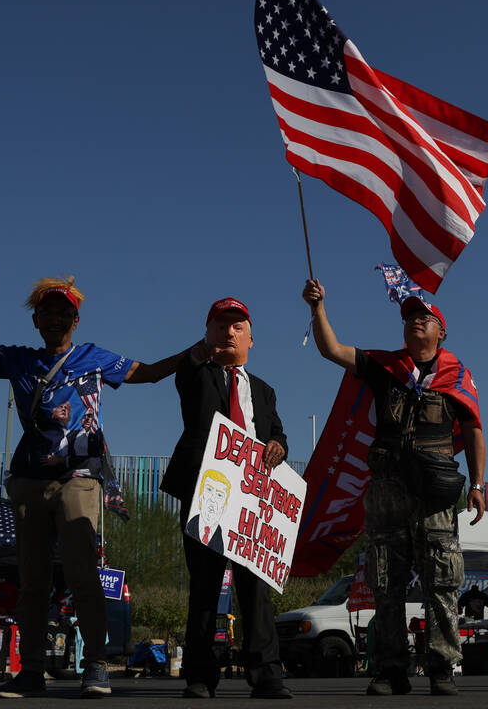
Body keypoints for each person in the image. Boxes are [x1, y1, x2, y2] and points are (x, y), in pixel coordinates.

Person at [0, 256, 187, 699]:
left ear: (76, 320)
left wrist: (196, 350)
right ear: (36, 320)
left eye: (64, 311)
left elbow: (151, 372)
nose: (56, 317)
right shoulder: (20, 360)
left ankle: (97, 666)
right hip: (28, 478)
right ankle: (31, 671)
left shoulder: (93, 357)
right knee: (32, 581)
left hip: (80, 475)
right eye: (48, 311)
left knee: (84, 573)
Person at [302, 279, 486, 696]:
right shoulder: (385, 367)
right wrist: (318, 309)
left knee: (442, 579)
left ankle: (441, 667)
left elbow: (474, 429)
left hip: (435, 493)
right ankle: (390, 669)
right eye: (408, 318)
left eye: (424, 317)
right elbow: (332, 350)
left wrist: (477, 484)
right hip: (386, 489)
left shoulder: (457, 375)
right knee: (385, 581)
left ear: (442, 331)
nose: (414, 322)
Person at [160, 297, 292, 699]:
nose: (229, 332)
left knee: (256, 588)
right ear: (206, 334)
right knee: (204, 585)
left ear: (251, 338)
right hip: (208, 492)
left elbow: (278, 433)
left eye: (237, 326)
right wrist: (203, 352)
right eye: (220, 325)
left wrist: (277, 446)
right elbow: (185, 371)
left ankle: (266, 674)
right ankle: (200, 675)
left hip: (252, 500)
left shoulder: (265, 391)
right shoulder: (197, 374)